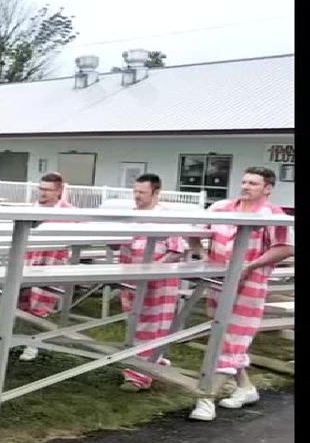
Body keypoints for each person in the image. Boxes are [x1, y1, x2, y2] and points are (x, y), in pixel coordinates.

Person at [187, 167, 295, 421]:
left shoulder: (272, 214)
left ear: (267, 188)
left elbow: (286, 247)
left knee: (234, 339)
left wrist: (251, 265)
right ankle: (246, 388)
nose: (246, 186)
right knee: (223, 337)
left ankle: (206, 398)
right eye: (244, 182)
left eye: (253, 183)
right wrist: (202, 254)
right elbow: (192, 232)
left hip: (251, 284)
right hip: (219, 282)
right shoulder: (221, 207)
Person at [116, 173, 187, 391]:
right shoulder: (131, 215)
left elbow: (176, 250)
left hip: (159, 282)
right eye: (135, 191)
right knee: (135, 323)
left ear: (155, 193)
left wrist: (153, 270)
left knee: (153, 326)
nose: (137, 196)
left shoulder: (165, 217)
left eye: (142, 192)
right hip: (132, 278)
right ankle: (150, 362)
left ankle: (140, 375)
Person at [19, 172, 75, 361]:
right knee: (22, 302)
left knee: (40, 304)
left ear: (59, 191)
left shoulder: (69, 212)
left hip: (51, 262)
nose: (43, 193)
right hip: (27, 259)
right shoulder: (32, 209)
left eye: (48, 190)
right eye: (41, 189)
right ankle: (20, 338)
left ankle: (33, 344)